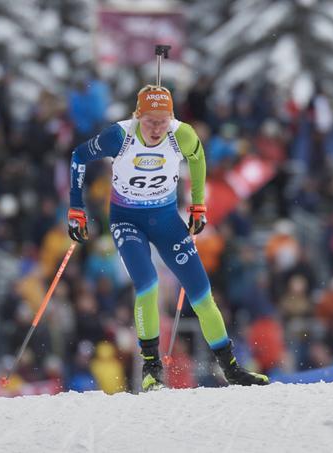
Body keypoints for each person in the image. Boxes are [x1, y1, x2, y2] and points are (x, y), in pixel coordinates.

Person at [67, 84, 268, 391]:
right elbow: (79, 156)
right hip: (127, 219)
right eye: (150, 120)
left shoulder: (181, 134)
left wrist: (198, 204)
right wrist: (76, 209)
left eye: (163, 120)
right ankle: (151, 370)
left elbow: (198, 159)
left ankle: (231, 370)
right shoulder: (119, 136)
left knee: (202, 293)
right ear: (137, 115)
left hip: (165, 220)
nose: (157, 128)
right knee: (147, 283)